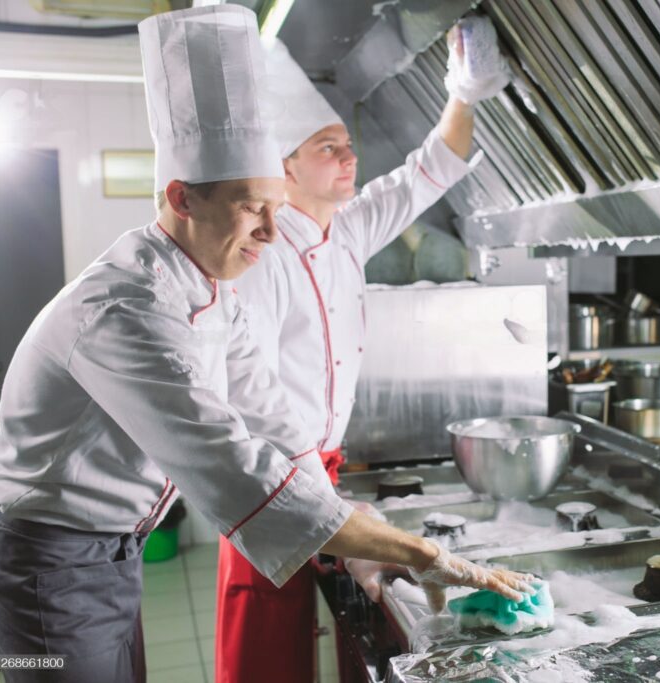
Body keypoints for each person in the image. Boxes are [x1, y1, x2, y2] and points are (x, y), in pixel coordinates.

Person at [0, 8, 530, 683]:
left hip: (113, 552)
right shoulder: (131, 310)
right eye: (252, 207)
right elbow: (239, 467)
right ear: (182, 197)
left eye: (277, 207)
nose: (272, 232)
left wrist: (355, 535)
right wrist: (419, 551)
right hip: (45, 565)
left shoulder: (209, 288)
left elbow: (278, 426)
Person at [214, 19, 511, 682]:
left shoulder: (347, 229)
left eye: (348, 144)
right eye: (327, 147)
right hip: (270, 480)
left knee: (303, 646)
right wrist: (327, 505)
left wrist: (464, 90)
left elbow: (429, 170)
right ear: (284, 166)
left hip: (323, 474)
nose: (349, 158)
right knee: (262, 653)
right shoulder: (262, 257)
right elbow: (246, 399)